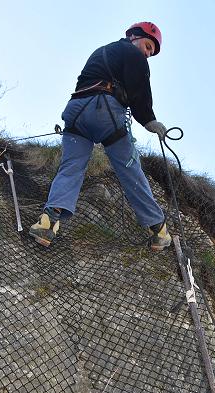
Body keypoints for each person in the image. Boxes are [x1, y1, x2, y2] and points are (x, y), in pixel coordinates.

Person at [29, 22, 171, 251]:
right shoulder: (133, 55)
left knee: (71, 166)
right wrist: (149, 120)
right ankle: (158, 229)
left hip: (76, 112)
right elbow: (139, 90)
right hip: (104, 110)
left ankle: (48, 223)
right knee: (129, 167)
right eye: (147, 46)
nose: (147, 53)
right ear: (135, 37)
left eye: (150, 53)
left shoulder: (103, 51)